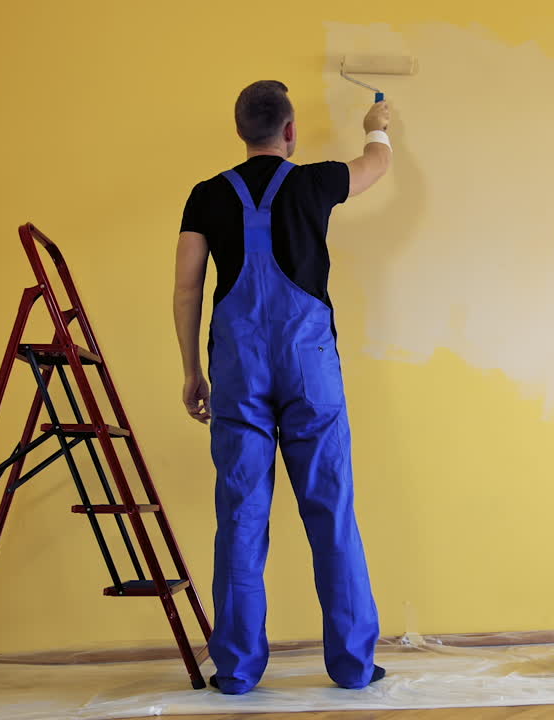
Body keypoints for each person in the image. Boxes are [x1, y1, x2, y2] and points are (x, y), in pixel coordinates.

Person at [173, 80, 393, 695]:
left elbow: (188, 288)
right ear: (291, 132)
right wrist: (377, 123)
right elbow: (376, 165)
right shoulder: (314, 181)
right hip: (308, 366)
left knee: (240, 516)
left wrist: (192, 370)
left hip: (238, 369)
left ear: (241, 131)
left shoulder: (206, 196)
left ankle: (238, 671)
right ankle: (352, 665)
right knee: (331, 511)